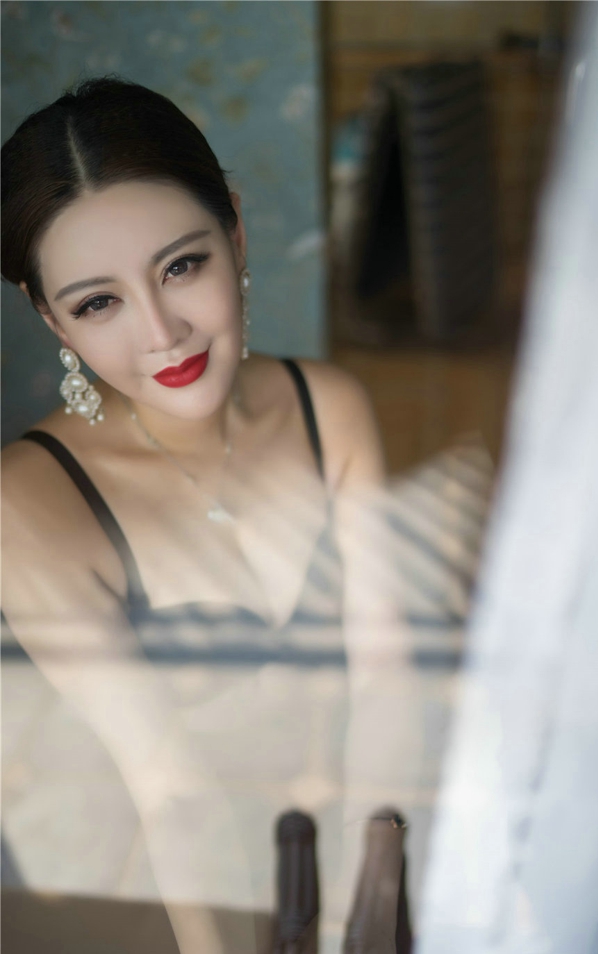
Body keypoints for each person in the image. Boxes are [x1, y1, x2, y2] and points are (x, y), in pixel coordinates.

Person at [1, 77, 420, 953]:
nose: (163, 333)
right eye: (99, 302)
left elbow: (386, 676)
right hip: (154, 900)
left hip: (352, 842)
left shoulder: (329, 406)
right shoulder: (28, 504)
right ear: (54, 321)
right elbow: (172, 793)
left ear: (234, 231)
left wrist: (372, 894)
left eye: (181, 267)